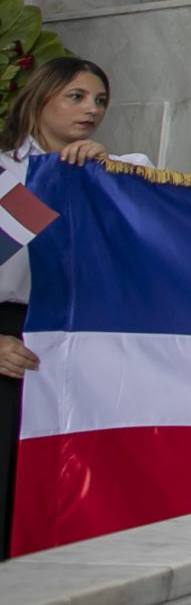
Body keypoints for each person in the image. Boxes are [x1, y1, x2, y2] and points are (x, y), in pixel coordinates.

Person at [0, 59, 147, 558]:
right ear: (40, 97)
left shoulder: (114, 169)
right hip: (12, 336)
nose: (92, 109)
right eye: (77, 96)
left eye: (100, 100)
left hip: (82, 338)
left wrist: (107, 180)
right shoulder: (6, 173)